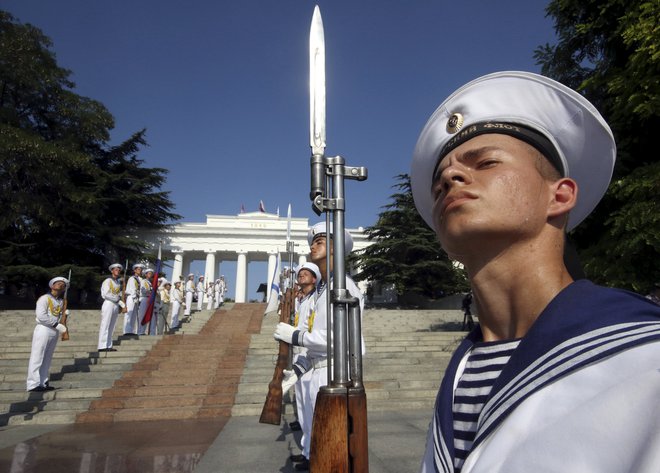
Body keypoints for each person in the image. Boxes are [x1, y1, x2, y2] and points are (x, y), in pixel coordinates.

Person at [409, 71, 660, 473]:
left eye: (486, 162)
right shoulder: (462, 371)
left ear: (559, 196)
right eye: (439, 184)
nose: (450, 177)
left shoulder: (646, 363)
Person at [274, 222, 365, 471]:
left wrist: (297, 337)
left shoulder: (345, 287)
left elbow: (340, 338)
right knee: (320, 435)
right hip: (318, 370)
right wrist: (299, 369)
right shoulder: (320, 291)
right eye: (312, 242)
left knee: (334, 445)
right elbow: (316, 335)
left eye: (320, 241)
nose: (313, 246)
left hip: (335, 373)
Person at [283, 263, 321, 456]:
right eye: (300, 274)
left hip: (309, 355)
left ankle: (311, 452)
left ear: (314, 279)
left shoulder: (316, 299)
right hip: (300, 354)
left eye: (306, 274)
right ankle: (307, 451)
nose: (301, 276)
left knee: (309, 407)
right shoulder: (304, 301)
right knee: (302, 404)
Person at [26, 276, 69, 392]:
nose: (61, 285)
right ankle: (32, 383)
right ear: (52, 286)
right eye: (58, 283)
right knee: (37, 356)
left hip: (54, 331)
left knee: (47, 358)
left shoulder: (60, 301)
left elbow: (59, 317)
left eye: (63, 284)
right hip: (44, 329)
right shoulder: (44, 298)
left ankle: (43, 382)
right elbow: (41, 316)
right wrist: (55, 324)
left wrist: (65, 316)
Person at [98, 263, 124, 352]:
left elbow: (118, 294)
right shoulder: (108, 280)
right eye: (116, 269)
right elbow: (105, 294)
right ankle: (102, 346)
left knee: (112, 326)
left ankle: (108, 345)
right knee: (105, 324)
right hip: (109, 303)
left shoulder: (117, 282)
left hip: (115, 305)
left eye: (119, 270)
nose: (118, 271)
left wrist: (120, 301)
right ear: (112, 271)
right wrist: (117, 300)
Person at [123, 263, 144, 336]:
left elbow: (141, 289)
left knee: (134, 315)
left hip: (137, 299)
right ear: (135, 270)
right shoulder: (132, 278)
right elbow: (132, 289)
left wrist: (139, 298)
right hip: (131, 298)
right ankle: (126, 331)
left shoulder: (141, 279)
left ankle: (131, 331)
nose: (140, 270)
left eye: (141, 269)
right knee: (129, 314)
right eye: (138, 269)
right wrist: (135, 297)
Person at [137, 267, 154, 336]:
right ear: (146, 274)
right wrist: (150, 291)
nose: (150, 275)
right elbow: (143, 290)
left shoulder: (150, 283)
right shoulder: (143, 281)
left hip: (148, 299)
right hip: (144, 298)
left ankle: (143, 331)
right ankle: (139, 331)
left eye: (151, 274)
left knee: (146, 315)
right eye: (149, 273)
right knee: (142, 315)